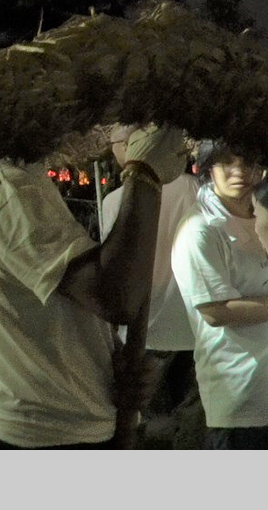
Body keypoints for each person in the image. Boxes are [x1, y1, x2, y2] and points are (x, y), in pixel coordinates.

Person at [0, 125, 185, 449]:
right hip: (53, 431)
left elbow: (55, 310)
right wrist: (143, 174)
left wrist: (108, 359)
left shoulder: (19, 181)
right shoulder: (10, 187)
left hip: (65, 421)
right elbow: (117, 296)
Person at [101, 124, 202, 448]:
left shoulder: (117, 200)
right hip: (194, 327)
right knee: (191, 429)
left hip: (145, 330)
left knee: (152, 431)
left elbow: (113, 272)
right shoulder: (198, 190)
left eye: (118, 143)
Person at [171, 142, 268, 449]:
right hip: (240, 396)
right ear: (208, 167)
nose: (239, 170)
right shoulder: (200, 229)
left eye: (248, 160)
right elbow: (215, 311)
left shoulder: (261, 214)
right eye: (226, 162)